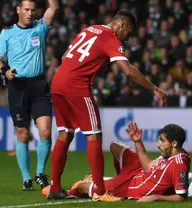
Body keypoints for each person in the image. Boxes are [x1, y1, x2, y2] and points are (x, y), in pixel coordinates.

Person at [48, 11, 168, 201]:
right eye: (129, 33)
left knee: (65, 134)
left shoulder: (89, 30)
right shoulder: (111, 38)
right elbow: (128, 71)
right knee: (94, 135)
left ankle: (54, 188)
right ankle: (99, 191)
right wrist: (154, 89)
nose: (127, 39)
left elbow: (64, 57)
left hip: (58, 82)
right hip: (76, 86)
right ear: (123, 25)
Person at [0, 0, 59, 191]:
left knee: (45, 131)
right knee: (23, 133)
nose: (30, 13)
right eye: (26, 10)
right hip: (18, 86)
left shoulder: (40, 28)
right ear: (18, 10)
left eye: (33, 10)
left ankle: (40, 173)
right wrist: (4, 70)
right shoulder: (7, 33)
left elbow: (53, 8)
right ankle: (26, 178)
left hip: (39, 85)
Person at [43, 122, 190, 202]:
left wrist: (155, 197)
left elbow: (180, 197)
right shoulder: (167, 155)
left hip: (133, 187)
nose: (158, 144)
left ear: (174, 143)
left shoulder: (179, 164)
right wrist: (137, 142)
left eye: (161, 141)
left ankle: (104, 185)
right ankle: (115, 179)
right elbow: (149, 167)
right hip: (139, 174)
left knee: (81, 187)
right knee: (115, 146)